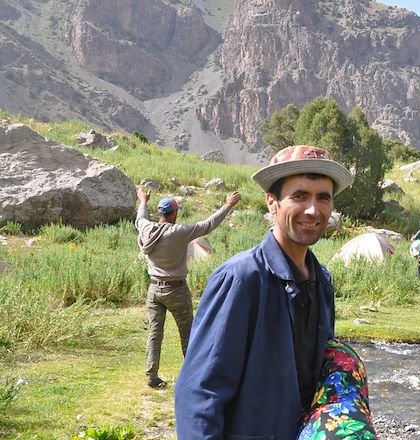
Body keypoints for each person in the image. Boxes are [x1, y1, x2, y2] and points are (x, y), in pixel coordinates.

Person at [174, 145, 375, 439]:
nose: (313, 210)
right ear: (272, 203)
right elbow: (200, 392)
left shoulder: (322, 281)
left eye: (323, 198)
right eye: (300, 196)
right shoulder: (241, 279)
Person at [136, 187, 240, 389]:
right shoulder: (180, 232)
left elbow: (140, 217)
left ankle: (151, 376)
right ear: (173, 213)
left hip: (154, 290)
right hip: (176, 290)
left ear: (160, 213)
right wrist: (228, 205)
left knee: (154, 333)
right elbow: (208, 225)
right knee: (188, 333)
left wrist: (143, 201)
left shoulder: (146, 228)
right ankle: (193, 376)